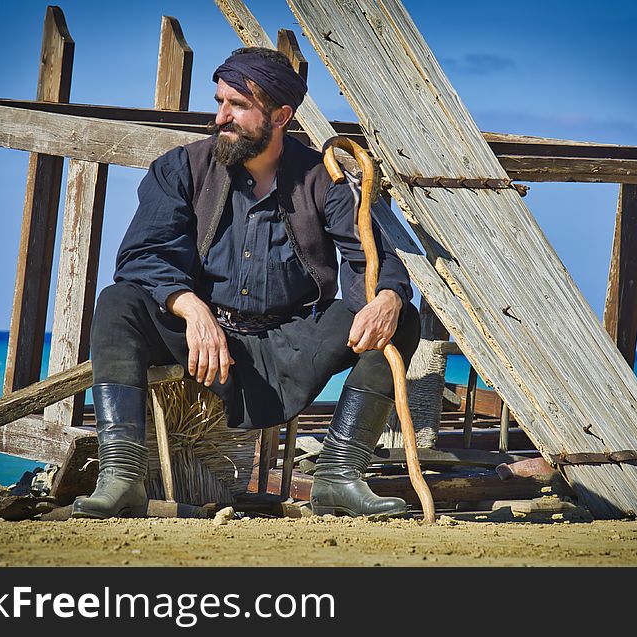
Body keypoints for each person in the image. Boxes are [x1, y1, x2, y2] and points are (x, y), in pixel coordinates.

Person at [71, 47, 420, 520]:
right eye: (220, 101)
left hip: (293, 339)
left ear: (281, 114)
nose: (221, 117)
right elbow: (142, 256)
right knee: (118, 304)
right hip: (205, 340)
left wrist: (386, 298)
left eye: (237, 105)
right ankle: (122, 477)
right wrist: (191, 309)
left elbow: (371, 259)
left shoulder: (324, 179)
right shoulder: (181, 169)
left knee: (398, 318)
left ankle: (338, 475)